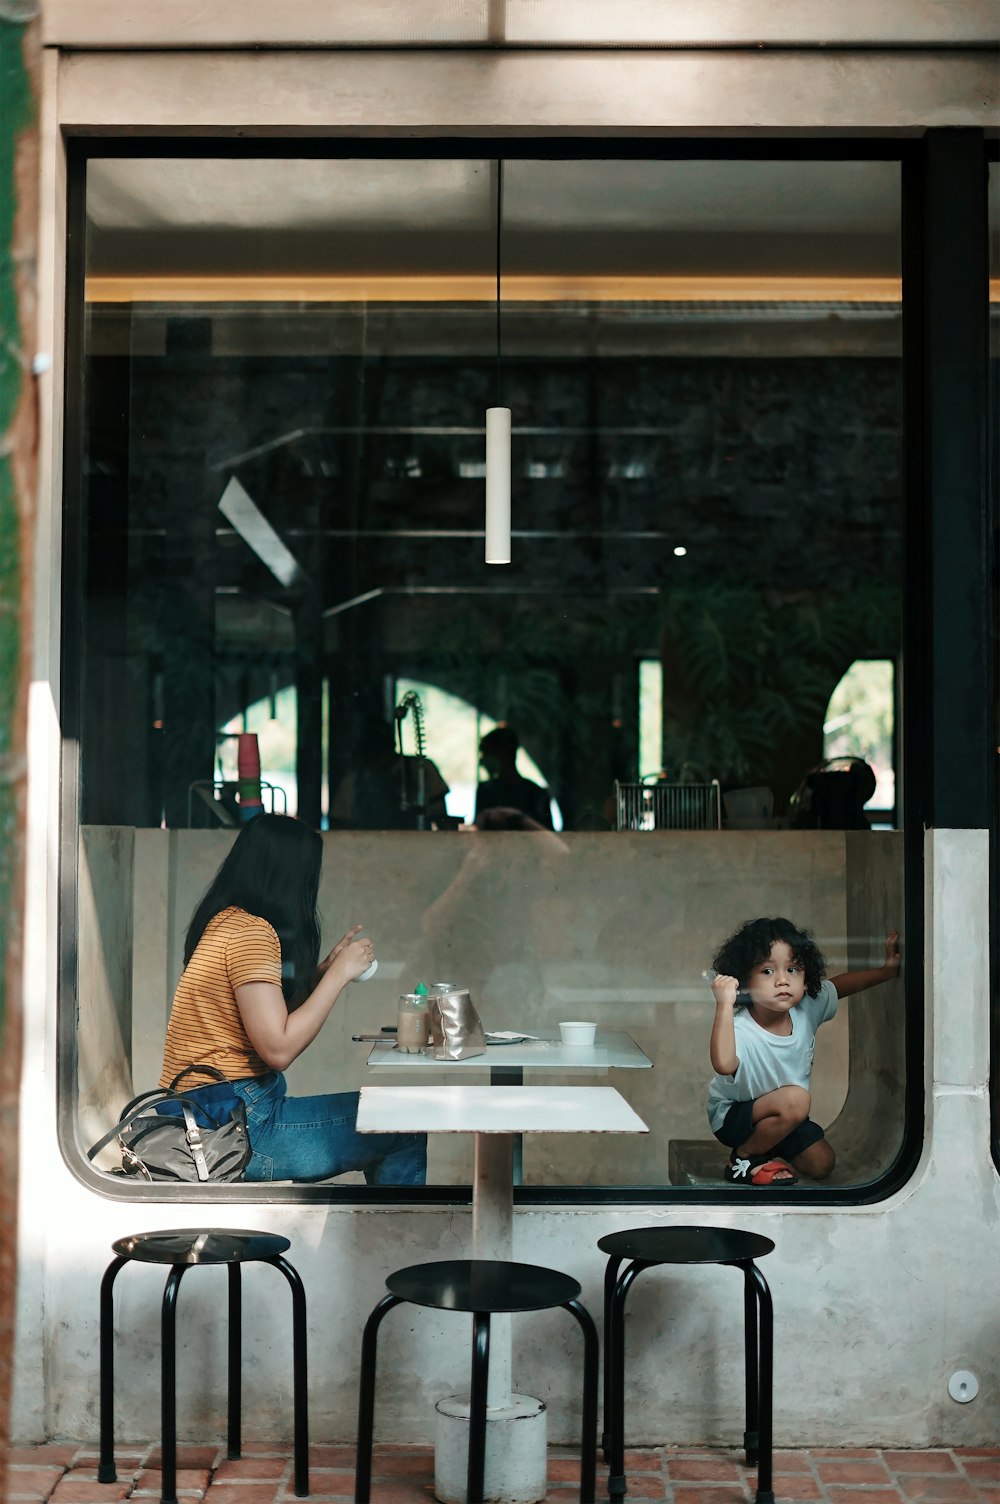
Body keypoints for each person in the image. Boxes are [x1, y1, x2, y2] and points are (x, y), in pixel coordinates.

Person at [159, 813, 426, 1185]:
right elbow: (278, 1048)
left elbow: (260, 1011)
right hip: (235, 1133)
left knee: (393, 1118)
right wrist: (338, 977)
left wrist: (319, 974)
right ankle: (398, 1243)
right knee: (404, 1122)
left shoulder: (224, 922)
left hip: (207, 1118)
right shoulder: (252, 933)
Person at [707, 915, 900, 1186]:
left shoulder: (806, 1008)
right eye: (767, 971)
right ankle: (744, 1157)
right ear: (744, 982)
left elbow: (840, 986)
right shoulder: (740, 1028)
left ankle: (769, 1148)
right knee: (797, 1100)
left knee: (822, 1164)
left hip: (783, 1116)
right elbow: (724, 1064)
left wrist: (886, 971)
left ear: (806, 978)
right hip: (735, 1116)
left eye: (793, 969)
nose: (783, 981)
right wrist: (724, 1005)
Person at [474, 726, 553, 829]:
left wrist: (517, 817)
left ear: (504, 754)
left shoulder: (536, 794)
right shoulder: (484, 791)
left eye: (487, 753)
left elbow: (547, 836)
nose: (482, 761)